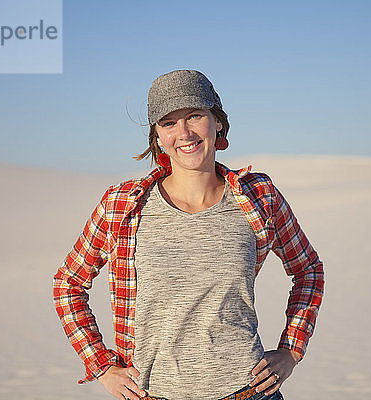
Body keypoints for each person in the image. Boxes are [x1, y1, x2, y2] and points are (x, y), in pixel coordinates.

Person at [53, 69, 324, 400]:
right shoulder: (122, 204)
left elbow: (308, 270)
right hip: (153, 394)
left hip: (248, 392)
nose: (183, 132)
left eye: (195, 115)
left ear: (217, 122)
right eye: (168, 122)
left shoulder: (258, 196)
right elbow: (68, 283)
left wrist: (291, 350)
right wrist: (102, 366)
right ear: (157, 136)